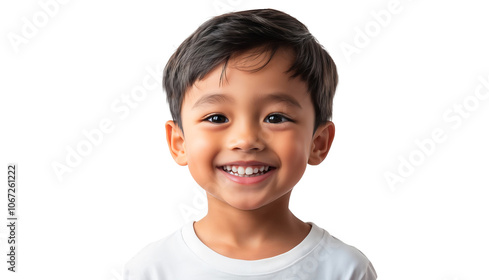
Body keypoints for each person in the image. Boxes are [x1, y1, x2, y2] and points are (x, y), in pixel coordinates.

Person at [124, 8, 377, 279]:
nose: (246, 140)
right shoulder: (152, 269)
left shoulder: (345, 269)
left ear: (318, 143)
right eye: (217, 117)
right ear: (179, 143)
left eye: (276, 117)